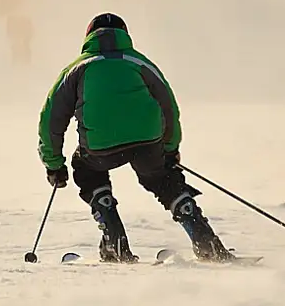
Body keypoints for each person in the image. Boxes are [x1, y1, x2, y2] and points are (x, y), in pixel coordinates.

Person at [36, 13, 234, 263]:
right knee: (163, 180)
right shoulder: (140, 63)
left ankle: (112, 235)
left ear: (88, 37)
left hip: (99, 147)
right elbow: (169, 108)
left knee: (86, 170)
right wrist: (170, 150)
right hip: (148, 142)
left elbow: (51, 119)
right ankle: (203, 238)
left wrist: (54, 164)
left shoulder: (77, 68)